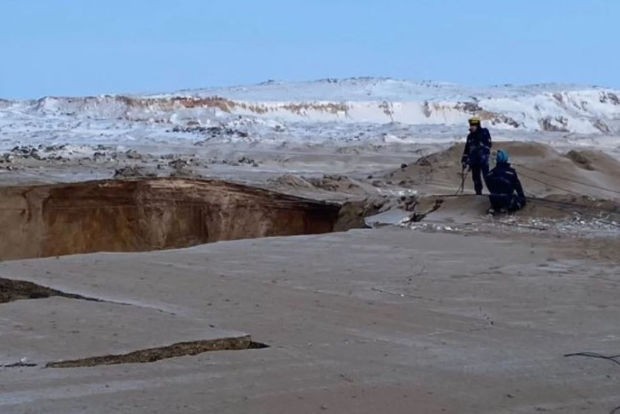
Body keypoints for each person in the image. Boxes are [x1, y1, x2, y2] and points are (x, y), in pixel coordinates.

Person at [485, 149, 526, 214]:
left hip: (493, 199)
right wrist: (522, 198)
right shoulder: (511, 172)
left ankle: (495, 207)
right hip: (507, 198)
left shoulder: (490, 173)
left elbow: (489, 188)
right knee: (521, 201)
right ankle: (507, 207)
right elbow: (518, 187)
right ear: (506, 159)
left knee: (497, 196)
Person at [461, 116, 492, 195]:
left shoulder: (484, 132)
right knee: (476, 178)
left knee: (487, 178)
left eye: (473, 126)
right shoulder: (470, 136)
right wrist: (464, 160)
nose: (471, 127)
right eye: (471, 125)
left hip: (483, 160)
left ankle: (494, 193)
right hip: (474, 162)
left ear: (477, 125)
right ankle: (478, 194)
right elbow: (467, 149)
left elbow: (488, 145)